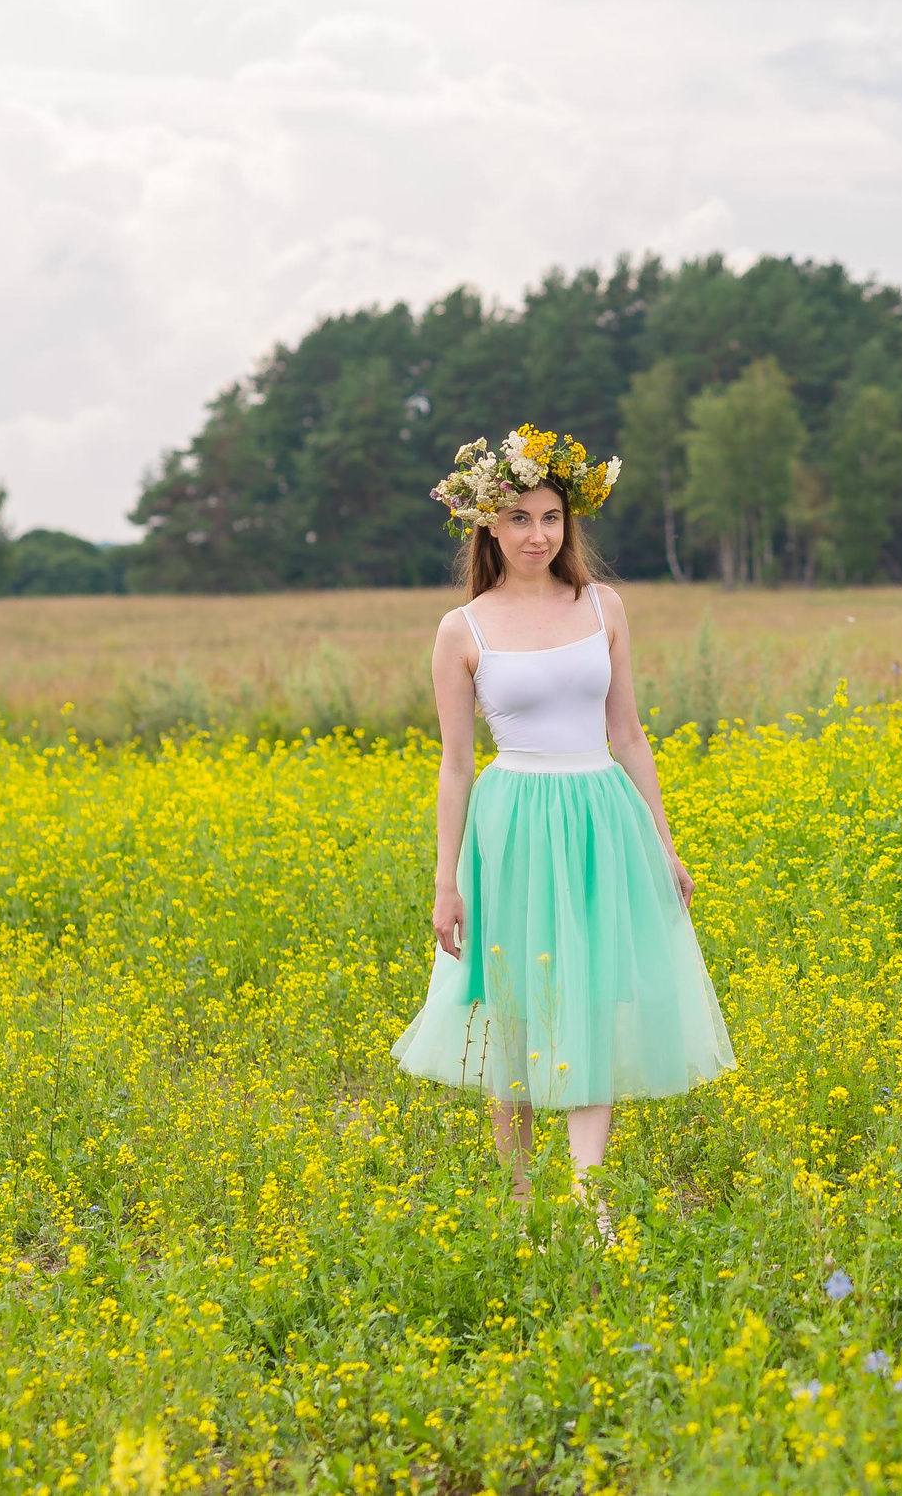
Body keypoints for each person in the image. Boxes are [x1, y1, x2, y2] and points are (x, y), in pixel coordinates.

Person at [391, 427, 736, 1242]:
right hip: (511, 824)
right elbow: (454, 766)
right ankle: (518, 1198)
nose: (538, 534)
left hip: (600, 815)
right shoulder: (461, 629)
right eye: (519, 518)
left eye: (551, 517)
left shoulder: (604, 607)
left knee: (591, 995)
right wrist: (447, 880)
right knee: (511, 1007)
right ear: (489, 527)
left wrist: (664, 841)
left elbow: (630, 734)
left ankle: (588, 1196)